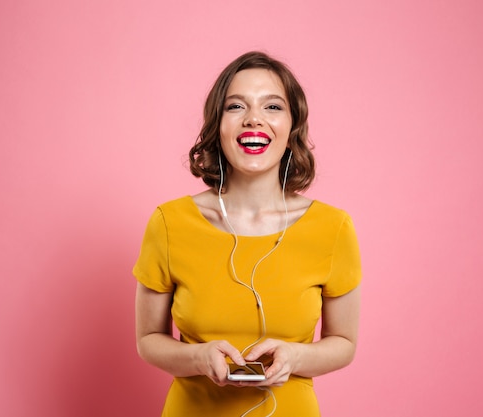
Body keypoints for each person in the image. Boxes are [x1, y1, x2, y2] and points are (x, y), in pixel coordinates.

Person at [134, 51, 362, 416]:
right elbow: (148, 340)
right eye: (236, 106)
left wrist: (295, 356)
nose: (254, 119)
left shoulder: (333, 228)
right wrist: (198, 356)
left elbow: (344, 343)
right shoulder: (169, 222)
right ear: (217, 125)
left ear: (292, 128)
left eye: (272, 107)